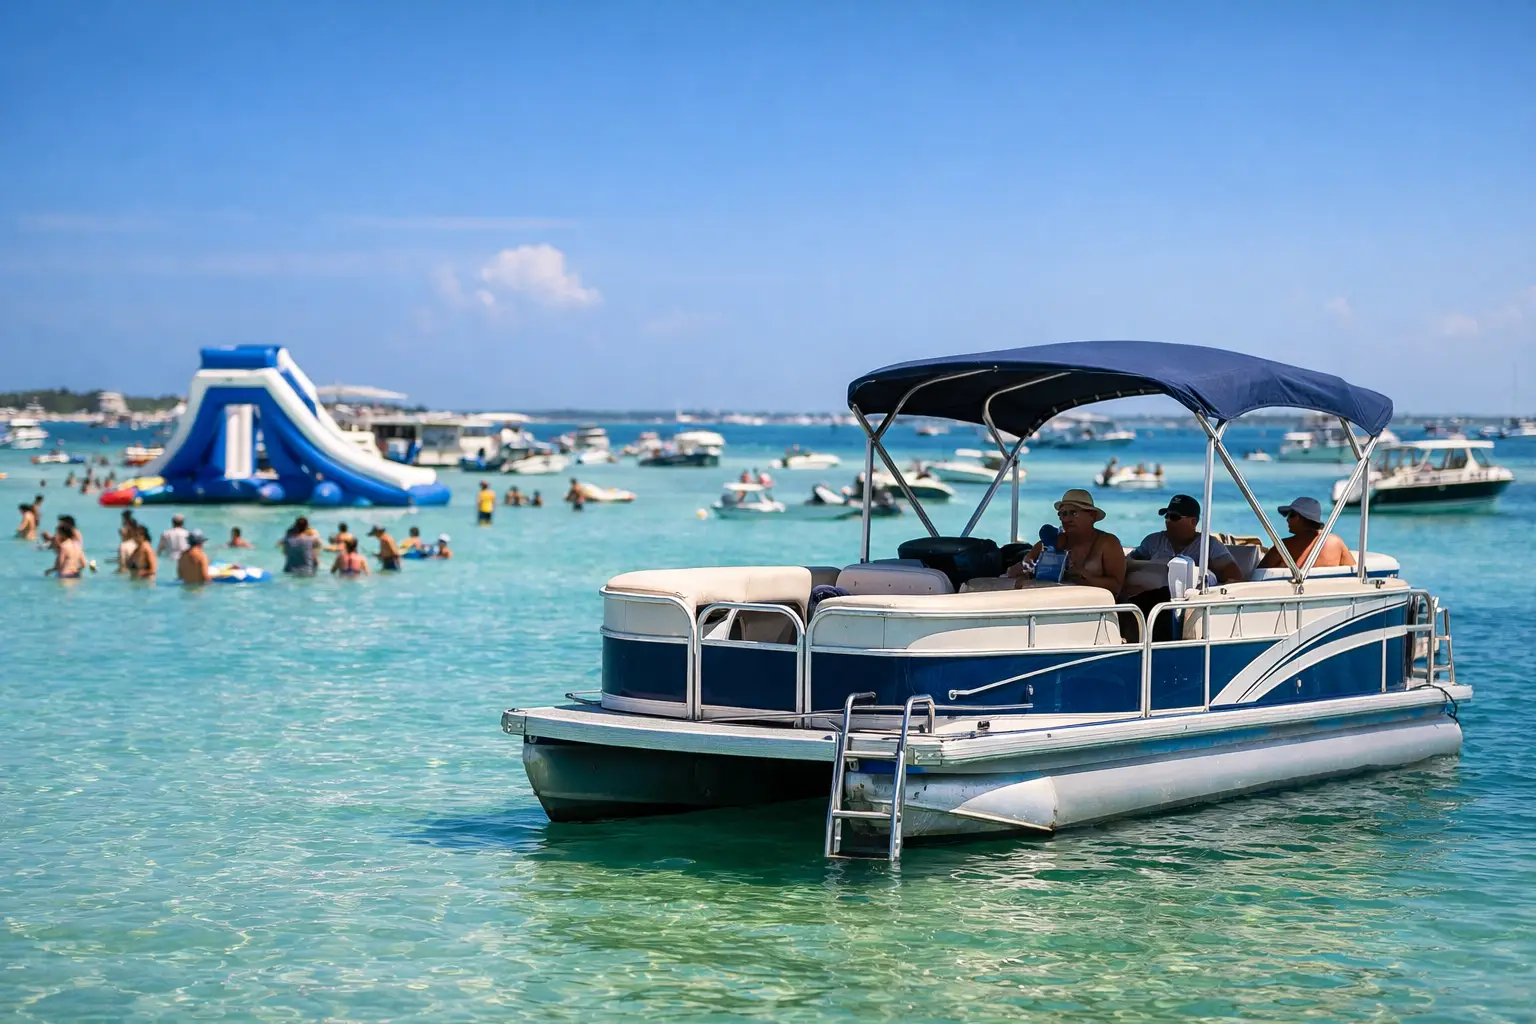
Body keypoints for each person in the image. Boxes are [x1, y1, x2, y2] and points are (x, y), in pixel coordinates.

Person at [1121, 494, 1244, 641]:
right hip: (1148, 601)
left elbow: (1234, 577)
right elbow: (1128, 563)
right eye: (1166, 516)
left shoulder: (1209, 546)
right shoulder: (1153, 541)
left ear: (1193, 521)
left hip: (1186, 606)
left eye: (1174, 517)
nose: (1167, 521)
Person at [1008, 488, 1125, 595]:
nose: (1066, 519)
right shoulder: (1051, 542)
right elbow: (1016, 569)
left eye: (1073, 513)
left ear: (1092, 516)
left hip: (1094, 609)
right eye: (1062, 514)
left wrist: (1085, 577)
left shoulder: (1108, 543)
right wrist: (1026, 569)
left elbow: (1116, 587)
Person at [1258, 497, 1355, 571]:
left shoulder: (1284, 546)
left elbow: (1257, 575)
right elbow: (1354, 571)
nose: (1287, 519)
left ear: (1300, 518)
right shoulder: (1336, 542)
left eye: (1291, 515)